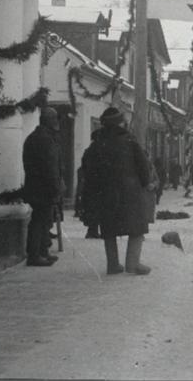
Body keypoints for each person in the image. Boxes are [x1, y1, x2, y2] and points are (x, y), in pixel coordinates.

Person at [82, 107, 156, 274]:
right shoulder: (130, 141)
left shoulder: (96, 144)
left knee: (109, 229)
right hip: (130, 193)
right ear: (120, 123)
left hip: (105, 194)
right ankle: (133, 264)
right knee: (137, 228)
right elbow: (143, 167)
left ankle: (113, 264)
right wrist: (145, 183)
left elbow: (87, 168)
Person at [22, 107, 64, 267]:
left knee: (43, 220)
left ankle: (42, 252)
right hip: (44, 187)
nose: (57, 122)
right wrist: (56, 187)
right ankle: (35, 255)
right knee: (40, 221)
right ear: (49, 121)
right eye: (55, 119)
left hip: (36, 185)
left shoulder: (35, 137)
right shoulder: (45, 139)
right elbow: (51, 166)